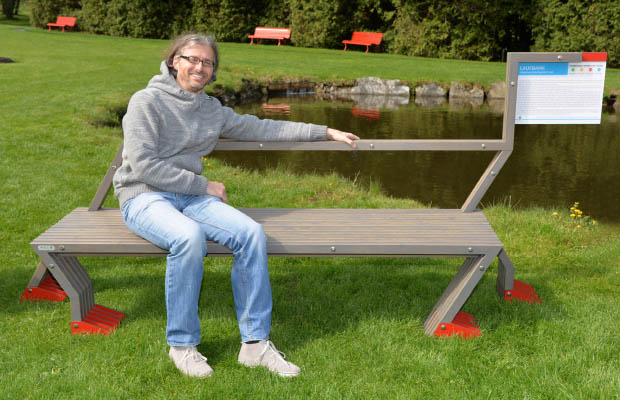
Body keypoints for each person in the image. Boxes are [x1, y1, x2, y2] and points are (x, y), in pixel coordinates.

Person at [113, 32, 359, 379]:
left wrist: (324, 131)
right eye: (191, 59)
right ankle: (182, 346)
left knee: (251, 233)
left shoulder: (211, 110)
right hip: (144, 195)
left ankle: (255, 345)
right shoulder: (146, 101)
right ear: (174, 61)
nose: (199, 66)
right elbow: (142, 165)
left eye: (207, 62)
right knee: (188, 238)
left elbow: (262, 127)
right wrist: (204, 184)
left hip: (191, 197)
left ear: (213, 71)